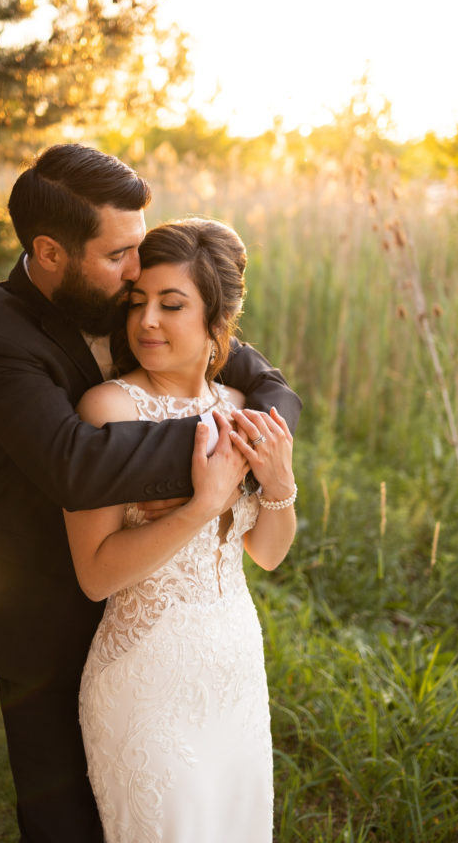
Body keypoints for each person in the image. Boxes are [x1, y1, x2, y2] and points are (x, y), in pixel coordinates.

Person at [0, 144, 301, 843]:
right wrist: (219, 457)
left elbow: (271, 389)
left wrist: (269, 456)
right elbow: (74, 466)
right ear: (50, 252)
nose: (137, 273)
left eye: (139, 248)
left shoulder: (137, 299)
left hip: (193, 644)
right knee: (67, 825)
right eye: (119, 255)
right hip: (51, 624)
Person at [65, 218, 297, 843]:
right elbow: (94, 575)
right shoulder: (110, 410)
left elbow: (267, 555)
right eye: (138, 303)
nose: (147, 322)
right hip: (146, 682)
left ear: (217, 318)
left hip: (236, 672)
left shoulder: (239, 408)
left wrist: (278, 484)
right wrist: (201, 506)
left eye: (172, 305)